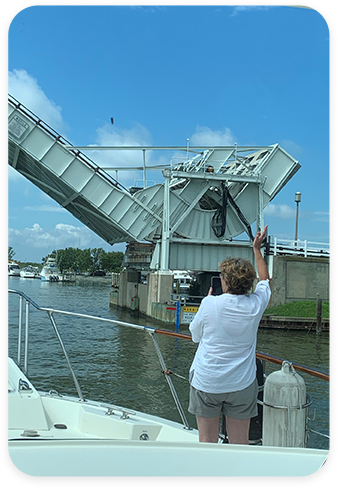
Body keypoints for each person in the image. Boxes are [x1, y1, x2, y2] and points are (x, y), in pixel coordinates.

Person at [188, 225, 271, 444]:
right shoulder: (256, 304)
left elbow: (195, 336)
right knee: (239, 445)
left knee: (207, 444)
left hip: (208, 382)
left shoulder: (209, 304)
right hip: (241, 384)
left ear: (225, 281)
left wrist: (208, 301)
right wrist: (256, 249)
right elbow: (266, 280)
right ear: (248, 282)